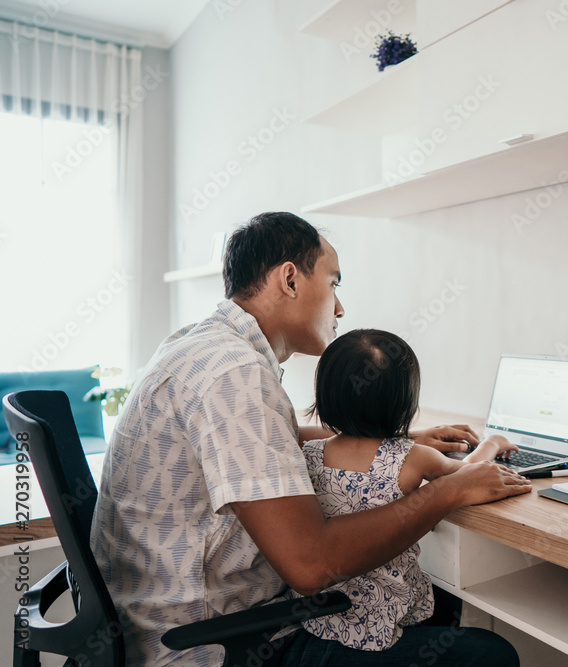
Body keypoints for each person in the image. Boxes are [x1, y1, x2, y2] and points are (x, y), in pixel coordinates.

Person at [90, 212, 532, 666]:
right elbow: (310, 566)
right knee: (488, 654)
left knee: (440, 603)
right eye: (335, 283)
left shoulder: (202, 347)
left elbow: (266, 439)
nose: (339, 307)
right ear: (290, 280)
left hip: (159, 626)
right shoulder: (236, 374)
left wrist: (389, 444)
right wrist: (447, 490)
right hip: (212, 647)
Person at [278, 328, 519, 663]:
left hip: (321, 620)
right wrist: (491, 443)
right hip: (383, 621)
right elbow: (468, 476)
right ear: (406, 403)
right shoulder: (410, 456)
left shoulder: (309, 454)